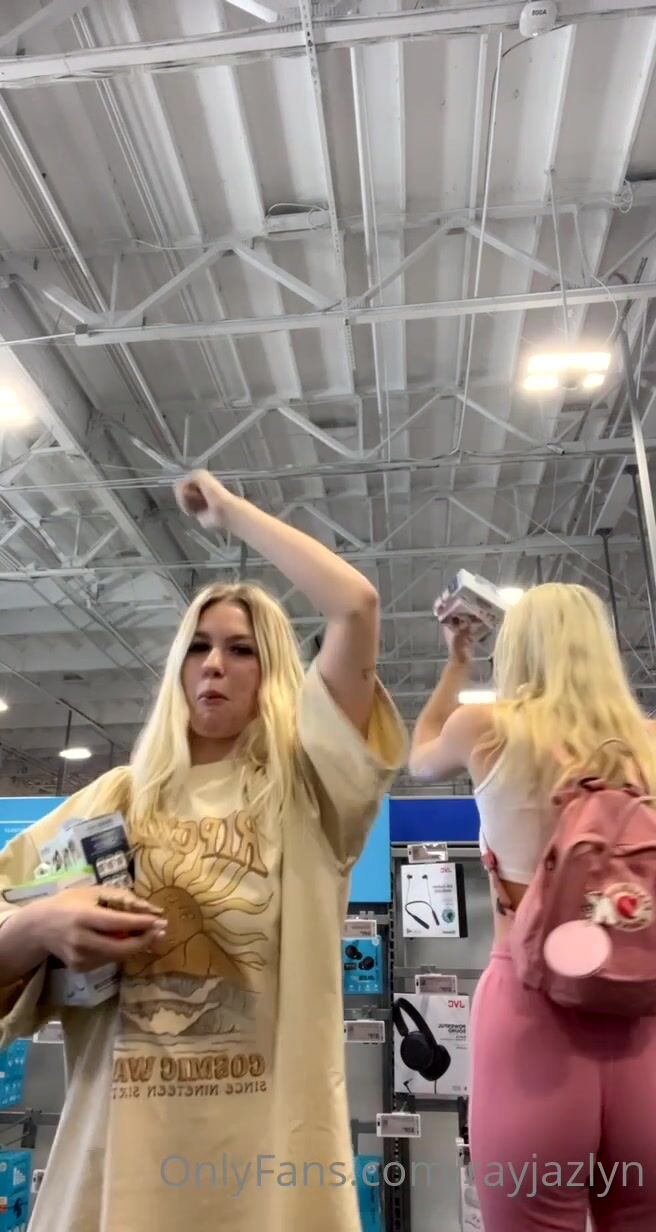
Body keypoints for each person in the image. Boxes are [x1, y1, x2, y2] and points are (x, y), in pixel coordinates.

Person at [0, 470, 407, 1232]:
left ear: (273, 670)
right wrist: (41, 924)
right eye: (198, 647)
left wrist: (234, 514)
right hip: (114, 1166)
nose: (214, 664)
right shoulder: (115, 800)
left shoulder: (310, 791)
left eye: (240, 649)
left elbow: (356, 606)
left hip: (270, 1174)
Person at [408, 582, 656, 1232]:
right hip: (644, 1022)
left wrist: (458, 659)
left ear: (517, 649)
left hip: (529, 1017)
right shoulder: (651, 745)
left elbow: (420, 754)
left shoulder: (487, 729)